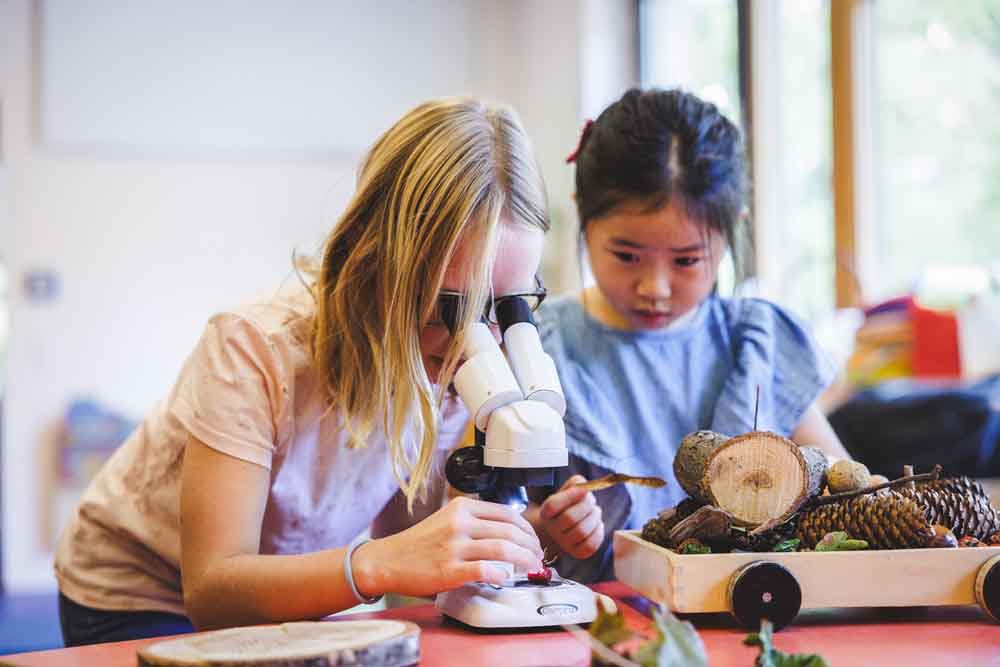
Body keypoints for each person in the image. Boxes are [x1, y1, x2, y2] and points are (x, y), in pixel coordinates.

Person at [54, 97, 604, 646]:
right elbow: (214, 593)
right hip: (144, 590)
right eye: (452, 305)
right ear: (379, 260)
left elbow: (410, 550)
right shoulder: (254, 349)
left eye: (506, 306)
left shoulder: (449, 355)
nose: (475, 339)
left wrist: (523, 536)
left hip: (284, 589)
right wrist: (379, 564)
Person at [532, 88, 851, 582]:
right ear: (583, 216)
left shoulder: (756, 344)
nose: (654, 288)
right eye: (626, 255)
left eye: (687, 260)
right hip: (588, 622)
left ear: (730, 233)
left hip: (742, 614)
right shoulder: (540, 349)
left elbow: (843, 488)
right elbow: (481, 521)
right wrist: (547, 530)